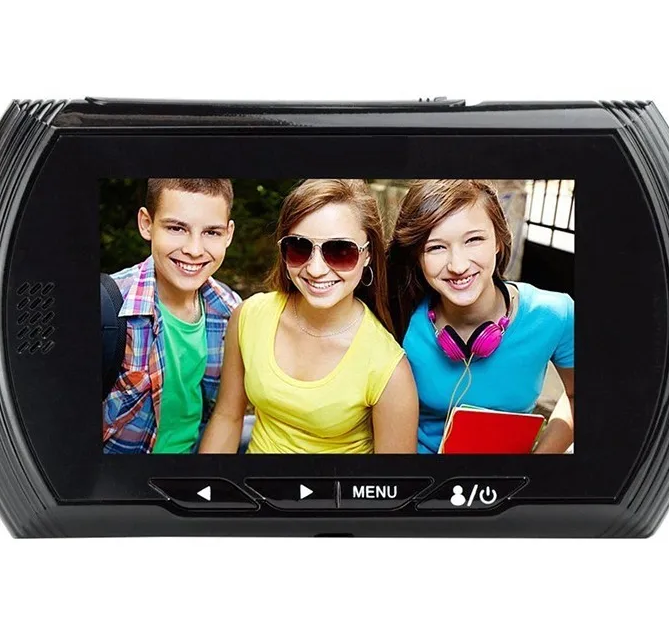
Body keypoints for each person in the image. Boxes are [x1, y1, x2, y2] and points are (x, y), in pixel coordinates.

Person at [199, 179, 418, 454]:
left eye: (340, 251)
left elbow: (393, 478)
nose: (315, 269)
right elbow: (227, 417)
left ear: (368, 255)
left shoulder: (389, 369)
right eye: (299, 247)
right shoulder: (248, 317)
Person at [387, 179, 574, 454]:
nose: (458, 265)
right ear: (417, 256)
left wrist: (540, 461)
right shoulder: (400, 316)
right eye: (436, 247)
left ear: (498, 240)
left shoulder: (554, 314)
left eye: (474, 240)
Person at [103, 178, 240, 454]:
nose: (194, 250)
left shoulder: (231, 310)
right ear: (146, 224)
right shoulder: (109, 308)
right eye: (177, 228)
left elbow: (225, 414)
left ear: (228, 234)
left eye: (211, 232)